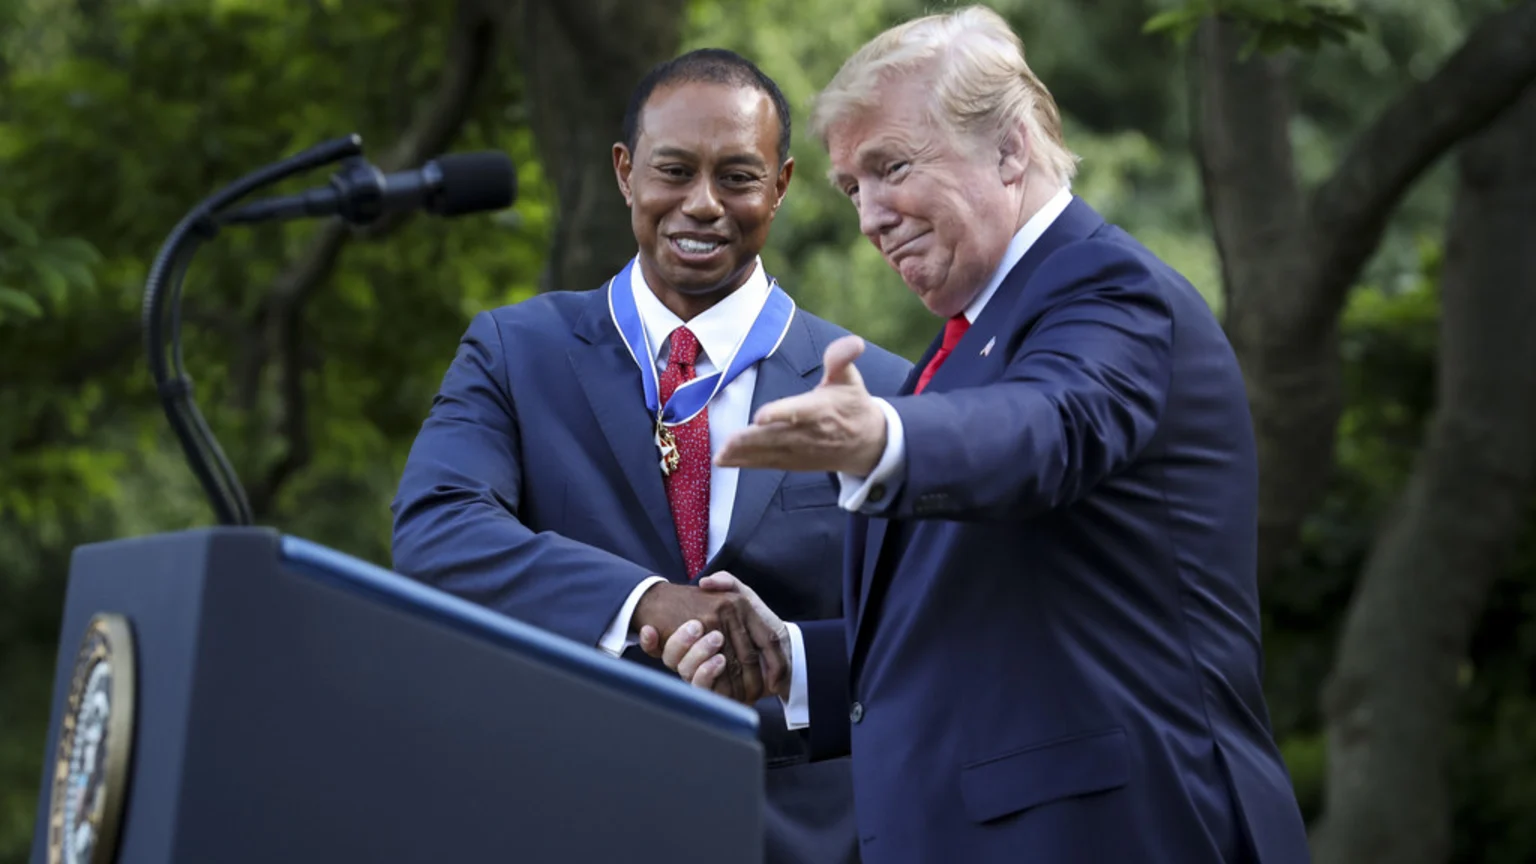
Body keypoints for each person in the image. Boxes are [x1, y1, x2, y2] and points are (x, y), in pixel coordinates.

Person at [648, 9, 1311, 864]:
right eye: (853, 188)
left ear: (1009, 149)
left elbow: (1046, 428)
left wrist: (882, 436)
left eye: (891, 168)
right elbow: (986, 627)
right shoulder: (966, 338)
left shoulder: (1107, 289)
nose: (871, 219)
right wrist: (794, 666)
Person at [390, 49, 910, 864]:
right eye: (674, 171)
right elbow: (436, 531)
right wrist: (645, 602)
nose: (702, 205)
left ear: (780, 185)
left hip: (810, 839)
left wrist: (788, 663)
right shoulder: (514, 351)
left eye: (737, 177)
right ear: (627, 173)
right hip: (566, 819)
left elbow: (923, 626)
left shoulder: (878, 390)